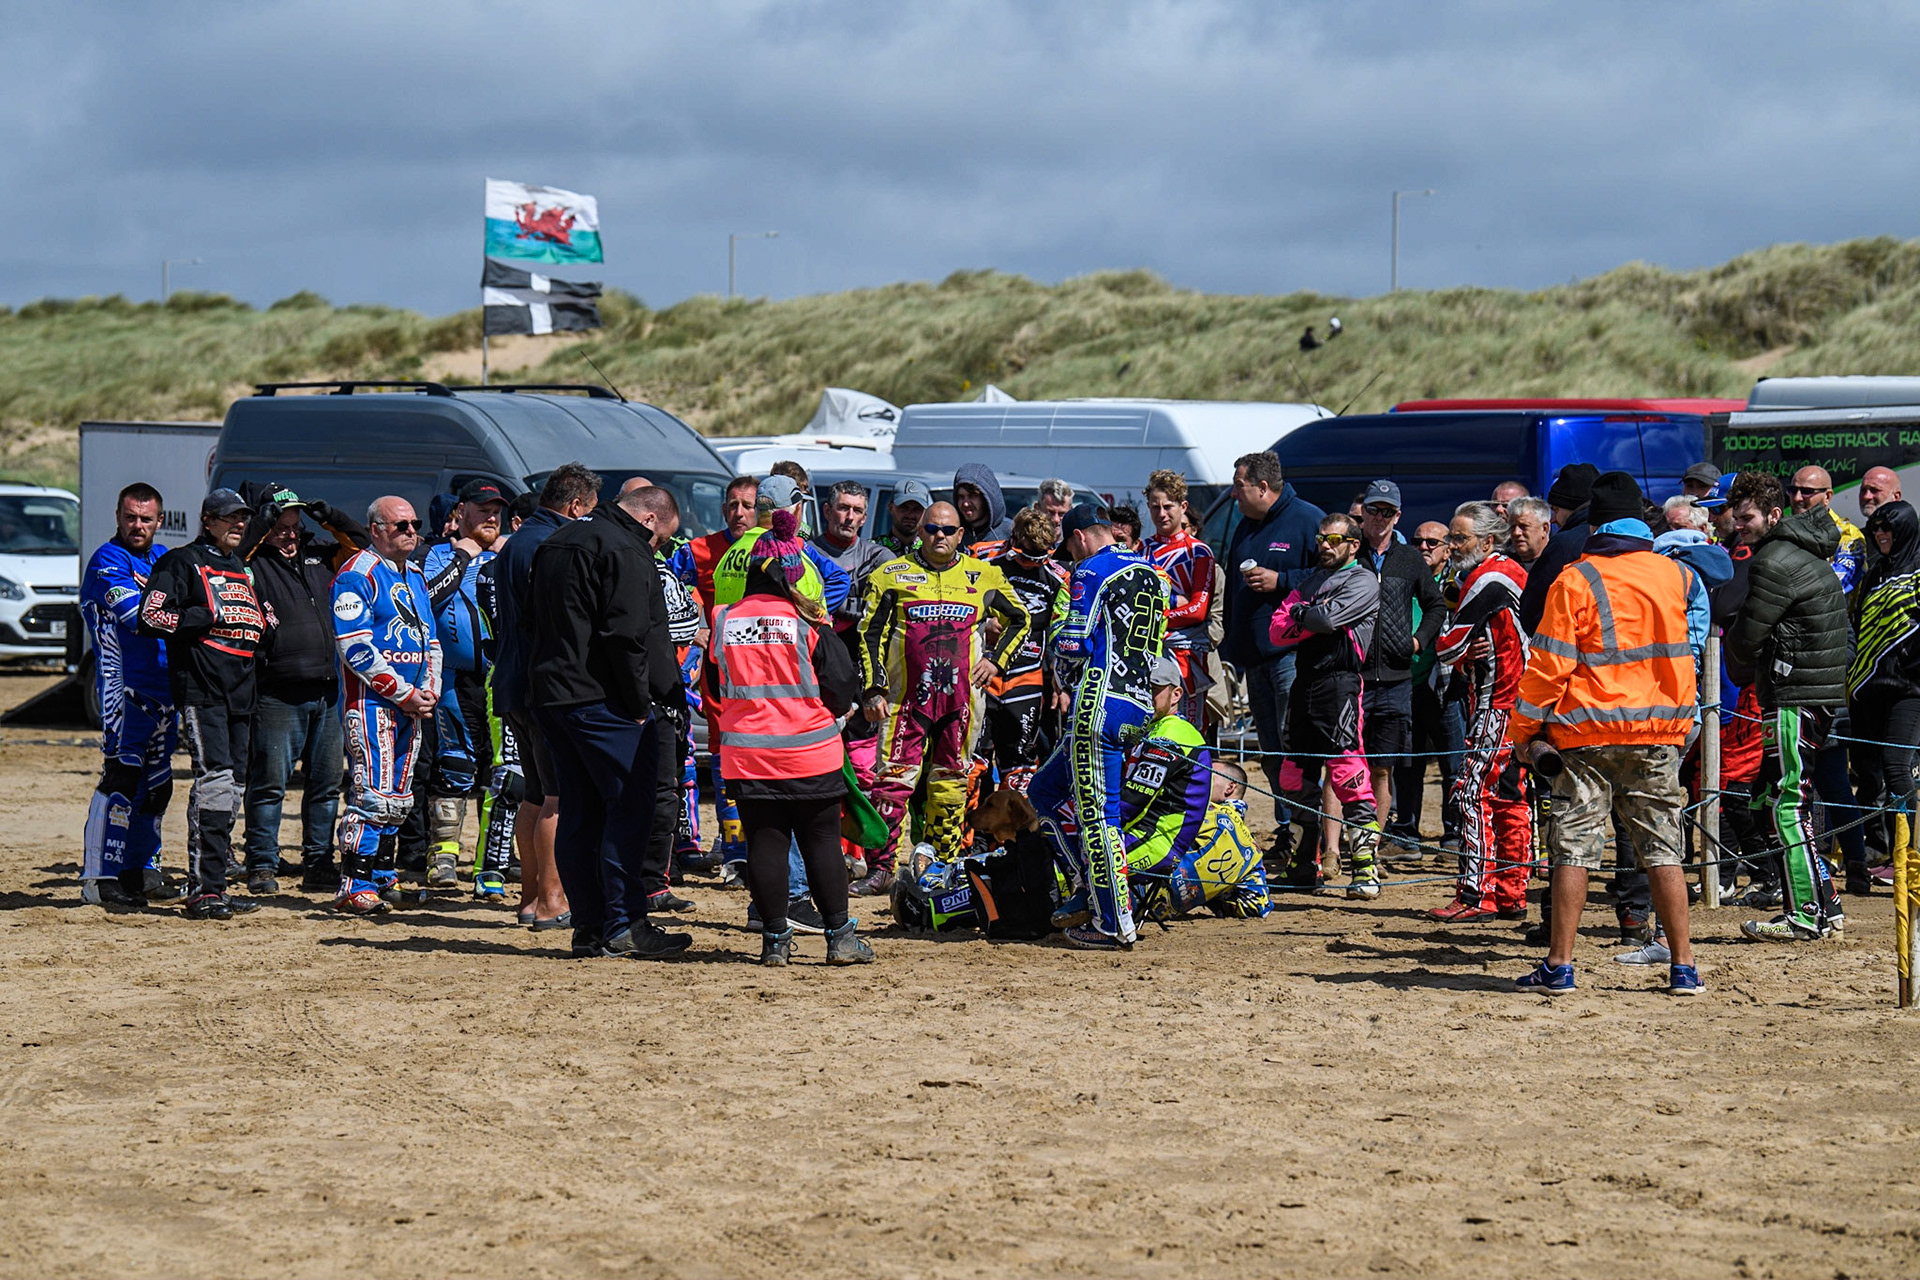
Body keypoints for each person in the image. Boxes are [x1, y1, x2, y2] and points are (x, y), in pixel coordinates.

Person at [1507, 470, 1703, 996]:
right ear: (1642, 521)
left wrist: (1523, 731)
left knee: (1573, 846)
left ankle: (1560, 965)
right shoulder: (1676, 576)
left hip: (1586, 735)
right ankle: (1683, 965)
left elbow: (1550, 666)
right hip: (1658, 733)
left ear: (1594, 521)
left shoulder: (1576, 578)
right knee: (1663, 847)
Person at [527, 482, 692, 960]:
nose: (658, 547)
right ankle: (624, 925)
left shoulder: (556, 541)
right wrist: (641, 703)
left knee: (580, 811)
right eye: (661, 537)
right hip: (602, 702)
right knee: (630, 809)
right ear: (649, 520)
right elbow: (626, 636)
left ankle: (590, 926)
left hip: (552, 696)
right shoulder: (627, 549)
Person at [706, 509, 874, 966]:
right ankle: (840, 938)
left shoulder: (723, 620)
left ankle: (775, 941)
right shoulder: (806, 623)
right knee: (820, 841)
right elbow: (841, 688)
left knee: (765, 841)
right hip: (809, 753)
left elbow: (711, 683)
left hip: (746, 755)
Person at [857, 500, 1029, 893]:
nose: (939, 536)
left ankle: (943, 867)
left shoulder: (984, 575)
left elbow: (1022, 619)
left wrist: (998, 662)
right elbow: (869, 634)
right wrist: (873, 688)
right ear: (920, 531)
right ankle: (881, 868)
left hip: (961, 703)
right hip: (905, 701)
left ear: (961, 534)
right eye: (932, 529)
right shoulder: (890, 575)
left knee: (951, 783)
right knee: (891, 783)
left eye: (948, 531)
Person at [1029, 504, 1168, 949]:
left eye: (1069, 547)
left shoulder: (1090, 570)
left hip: (1099, 703)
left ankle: (1114, 921)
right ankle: (1088, 889)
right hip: (1138, 704)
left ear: (1079, 538)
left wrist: (1056, 648)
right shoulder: (1152, 572)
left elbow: (1072, 641)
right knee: (1044, 792)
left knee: (1099, 817)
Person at [1725, 470, 1851, 940]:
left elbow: (1748, 634)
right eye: (1735, 517)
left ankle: (1803, 916)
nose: (1740, 525)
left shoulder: (1774, 559)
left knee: (1787, 804)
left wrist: (1737, 660)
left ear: (1774, 515)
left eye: (1748, 517)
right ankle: (1828, 903)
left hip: (1794, 693)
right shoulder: (1801, 550)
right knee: (1793, 800)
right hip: (1812, 692)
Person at [138, 488, 273, 921]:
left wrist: (264, 626)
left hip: (243, 694)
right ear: (207, 520)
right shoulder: (181, 561)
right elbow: (152, 615)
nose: (238, 525)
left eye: (243, 519)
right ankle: (203, 890)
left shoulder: (242, 568)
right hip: (202, 689)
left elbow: (259, 621)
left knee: (233, 791)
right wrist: (205, 617)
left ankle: (217, 885)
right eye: (229, 518)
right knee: (213, 782)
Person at [236, 483, 368, 895]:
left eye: (295, 527)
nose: (290, 535)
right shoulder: (253, 561)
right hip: (278, 690)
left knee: (327, 783)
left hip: (329, 690)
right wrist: (265, 522)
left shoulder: (322, 552)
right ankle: (260, 864)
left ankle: (318, 862)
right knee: (269, 784)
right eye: (281, 528)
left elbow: (363, 546)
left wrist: (329, 515)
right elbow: (237, 554)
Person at [494, 463, 600, 930]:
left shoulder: (515, 542)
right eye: (588, 513)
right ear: (575, 506)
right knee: (558, 794)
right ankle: (554, 899)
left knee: (534, 793)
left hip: (514, 681)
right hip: (544, 685)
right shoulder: (552, 544)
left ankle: (531, 897)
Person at [330, 497, 441, 915]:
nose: (411, 532)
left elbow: (430, 640)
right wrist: (402, 692)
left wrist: (428, 689)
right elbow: (353, 647)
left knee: (399, 793)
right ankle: (352, 884)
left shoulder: (414, 574)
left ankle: (381, 875)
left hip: (411, 706)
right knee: (372, 793)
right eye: (401, 526)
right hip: (372, 703)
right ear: (376, 529)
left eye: (415, 524)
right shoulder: (357, 573)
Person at [1268, 512, 1383, 898]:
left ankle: (1365, 869)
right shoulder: (1311, 579)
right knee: (1292, 776)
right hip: (1306, 683)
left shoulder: (1363, 579)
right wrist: (1306, 615)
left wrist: (1303, 614)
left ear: (1353, 544)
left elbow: (1327, 619)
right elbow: (1278, 628)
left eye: (1334, 540)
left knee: (1348, 774)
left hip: (1341, 682)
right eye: (1321, 539)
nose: (1325, 546)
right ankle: (1304, 865)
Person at [79, 483, 183, 907]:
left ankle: (140, 871)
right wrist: (196, 616)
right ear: (117, 517)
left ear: (160, 521)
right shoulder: (108, 560)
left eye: (146, 519)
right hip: (124, 691)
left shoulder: (163, 559)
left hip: (166, 692)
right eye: (130, 517)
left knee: (157, 788)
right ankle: (99, 879)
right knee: (121, 779)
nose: (137, 525)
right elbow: (138, 616)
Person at [1221, 450, 1326, 867]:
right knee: (1270, 754)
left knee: (1293, 749)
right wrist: (1231, 643)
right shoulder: (1246, 524)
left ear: (1263, 487)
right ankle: (1286, 831)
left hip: (1291, 657)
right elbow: (1232, 591)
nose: (1233, 494)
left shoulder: (1307, 520)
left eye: (1239, 486)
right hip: (1255, 658)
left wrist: (1281, 580)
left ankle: (1308, 836)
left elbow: (1331, 577)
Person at [1429, 501, 1530, 922]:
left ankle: (1476, 893)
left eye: (1459, 538)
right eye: (1451, 537)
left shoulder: (1488, 575)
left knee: (1472, 794)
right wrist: (1470, 650)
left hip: (1498, 702)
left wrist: (1462, 648)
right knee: (1510, 797)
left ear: (1488, 540)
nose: (1451, 546)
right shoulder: (1506, 570)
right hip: (1517, 702)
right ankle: (1510, 893)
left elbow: (1447, 644)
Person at [417, 480, 506, 893]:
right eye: (482, 509)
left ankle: (493, 864)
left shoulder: (509, 555)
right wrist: (461, 556)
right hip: (453, 679)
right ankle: (444, 857)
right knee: (454, 766)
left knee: (503, 774)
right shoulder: (436, 555)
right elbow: (428, 600)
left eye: (496, 511)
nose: (490, 517)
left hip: (500, 678)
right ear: (461, 512)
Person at [1353, 479, 1443, 842]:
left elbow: (1436, 604)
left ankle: (1371, 844)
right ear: (1362, 512)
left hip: (1395, 677)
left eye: (1387, 512)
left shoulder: (1408, 558)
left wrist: (1418, 641)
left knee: (1382, 770)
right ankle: (1341, 843)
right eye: (1373, 509)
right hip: (1351, 676)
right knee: (1345, 765)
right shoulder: (1348, 553)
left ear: (1397, 516)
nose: (1378, 517)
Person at [1850, 499, 1920, 896]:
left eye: (1887, 528)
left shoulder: (1919, 570)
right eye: (1875, 529)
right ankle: (1873, 853)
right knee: (1867, 773)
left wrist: (1910, 664)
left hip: (1908, 690)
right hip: (1866, 687)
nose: (1880, 535)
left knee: (1897, 767)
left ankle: (1905, 856)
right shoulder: (1876, 571)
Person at [983, 507, 1069, 790]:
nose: (1032, 564)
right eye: (1025, 556)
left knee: (1019, 766)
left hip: (1027, 677)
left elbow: (1065, 632)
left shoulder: (1058, 577)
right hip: (982, 673)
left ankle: (1010, 834)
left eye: (1040, 557)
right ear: (1013, 541)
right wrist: (985, 623)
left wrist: (1061, 682)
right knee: (973, 760)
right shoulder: (983, 560)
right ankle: (971, 832)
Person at [1142, 469, 1216, 732]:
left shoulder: (1198, 551)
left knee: (1189, 724)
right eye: (1154, 507)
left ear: (1183, 507)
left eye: (1168, 506)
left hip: (1186, 652)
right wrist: (1175, 601)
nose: (1161, 514)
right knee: (1148, 720)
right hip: (1149, 649)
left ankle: (1194, 773)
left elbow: (1197, 610)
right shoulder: (1142, 550)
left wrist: (1159, 615)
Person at [1517, 462, 1599, 634]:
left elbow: (1533, 608)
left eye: (1555, 510)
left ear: (1571, 507)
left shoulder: (1564, 544)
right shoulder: (1619, 539)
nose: (1553, 519)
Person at [1788, 464, 1866, 595]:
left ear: (1827, 496)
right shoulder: (1783, 530)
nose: (1797, 498)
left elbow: (1834, 585)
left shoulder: (1849, 535)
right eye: (1792, 490)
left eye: (1806, 491)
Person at [953, 463, 1013, 551]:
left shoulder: (1011, 534)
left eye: (972, 496)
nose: (965, 504)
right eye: (961, 497)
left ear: (987, 497)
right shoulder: (952, 535)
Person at [876, 479, 933, 556]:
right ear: (890, 508)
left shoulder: (931, 550)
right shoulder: (873, 549)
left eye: (917, 509)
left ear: (925, 512)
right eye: (904, 508)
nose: (910, 515)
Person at [1506, 497, 1552, 571]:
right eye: (1512, 527)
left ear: (1544, 529)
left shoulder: (1558, 564)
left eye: (1523, 526)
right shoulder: (1502, 565)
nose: (1516, 533)